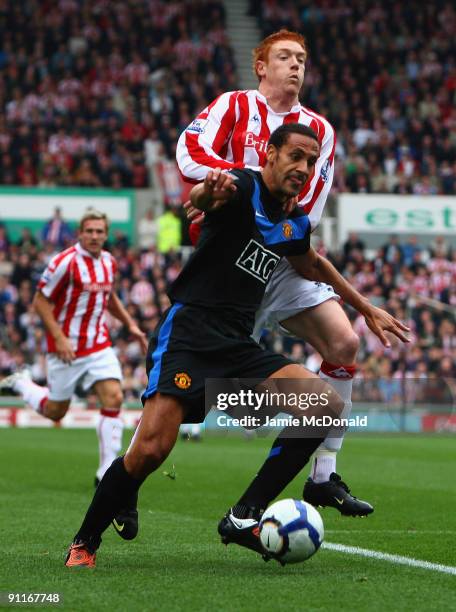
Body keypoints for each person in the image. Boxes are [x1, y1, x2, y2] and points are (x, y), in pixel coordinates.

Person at [64, 124, 409, 567]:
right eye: (296, 156)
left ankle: (244, 515)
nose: (303, 167)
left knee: (323, 405)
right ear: (270, 153)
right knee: (150, 449)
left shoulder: (293, 221)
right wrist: (208, 192)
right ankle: (84, 542)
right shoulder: (241, 186)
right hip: (190, 333)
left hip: (238, 344)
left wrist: (364, 306)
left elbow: (313, 264)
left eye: (311, 160)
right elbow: (202, 203)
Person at [176, 30, 392, 515]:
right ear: (261, 65)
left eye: (302, 59)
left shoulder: (321, 129)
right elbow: (188, 152)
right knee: (191, 394)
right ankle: (128, 475)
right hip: (228, 260)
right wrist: (233, 188)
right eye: (285, 57)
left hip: (283, 256)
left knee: (345, 343)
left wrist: (248, 203)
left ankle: (323, 474)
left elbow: (309, 210)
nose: (296, 65)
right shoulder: (232, 106)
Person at [0, 210, 148, 539]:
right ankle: (22, 382)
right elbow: (40, 301)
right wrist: (60, 336)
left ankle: (106, 471)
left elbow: (107, 297)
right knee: (56, 409)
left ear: (106, 234)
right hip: (64, 348)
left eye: (99, 231)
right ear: (79, 233)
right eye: (89, 231)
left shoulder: (109, 262)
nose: (95, 236)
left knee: (113, 397)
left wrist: (130, 324)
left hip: (98, 345)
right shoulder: (64, 262)